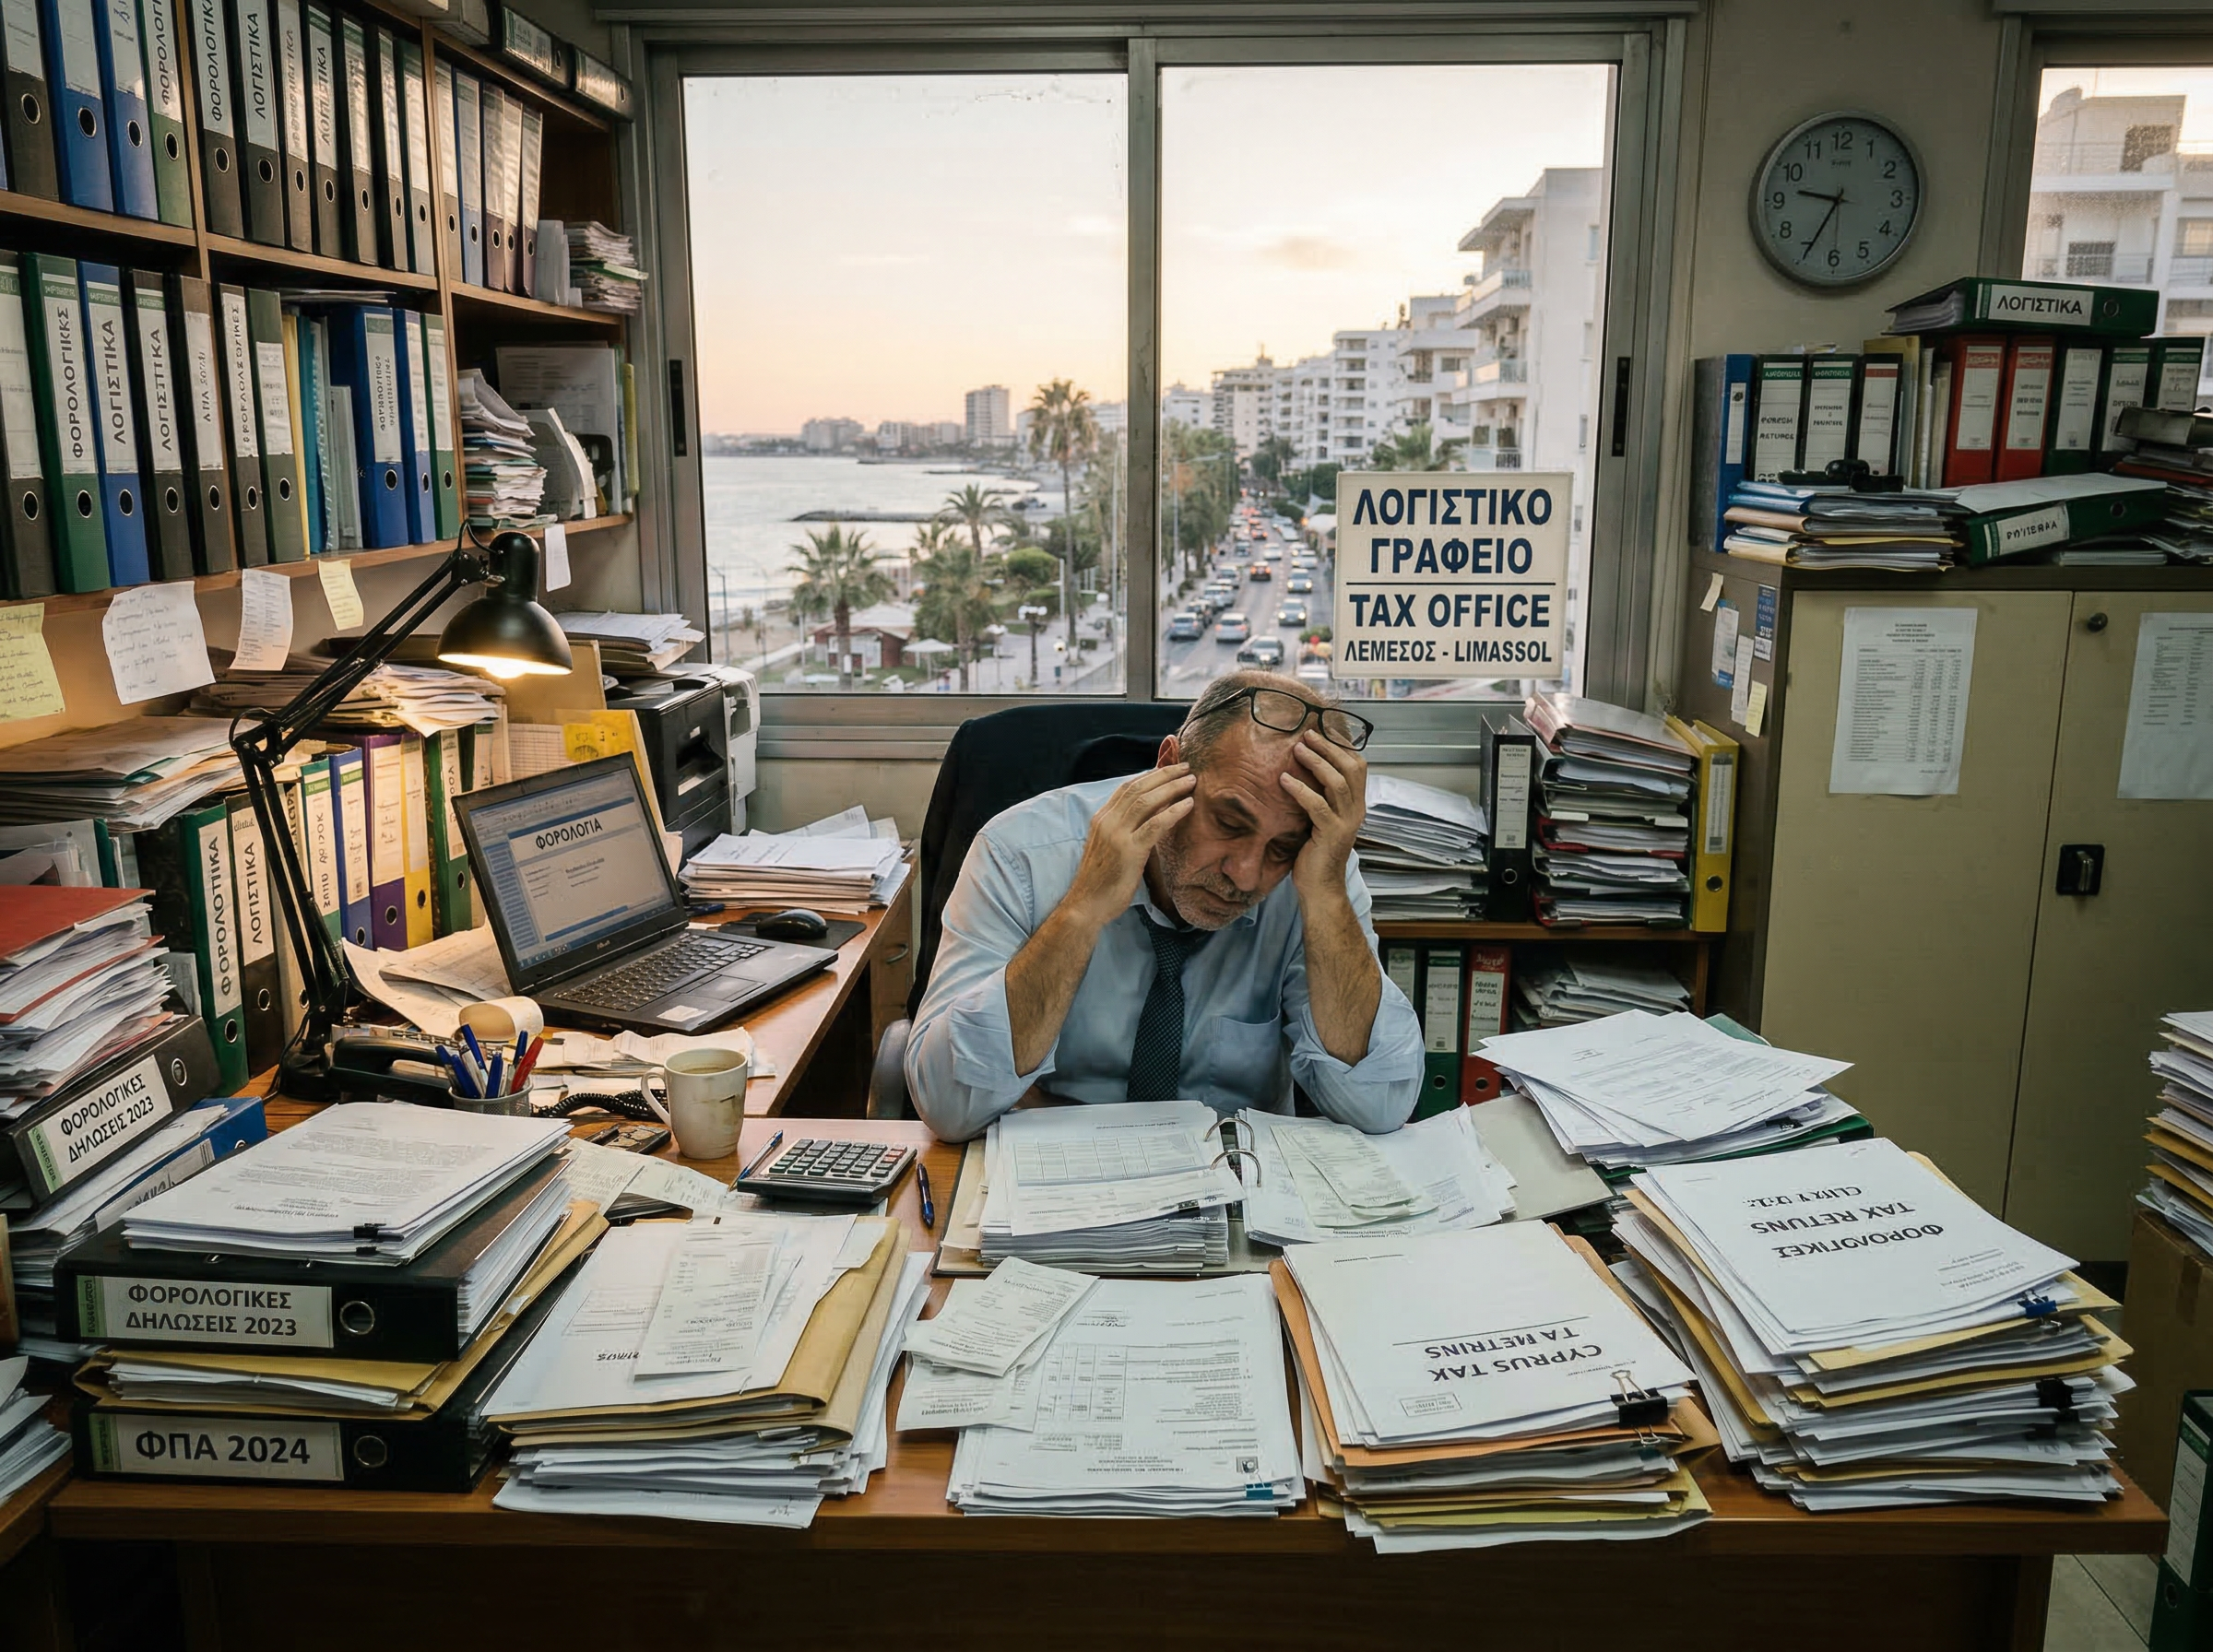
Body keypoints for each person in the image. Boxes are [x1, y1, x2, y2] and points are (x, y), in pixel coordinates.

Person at [905, 668, 1425, 1141]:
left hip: (1238, 1193)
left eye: (1280, 848)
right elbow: (949, 1106)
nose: (1244, 874)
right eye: (1228, 823)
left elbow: (1378, 1105)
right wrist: (1082, 908)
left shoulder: (1316, 873)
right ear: (1168, 766)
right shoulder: (1021, 853)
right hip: (1057, 1180)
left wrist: (1328, 894)